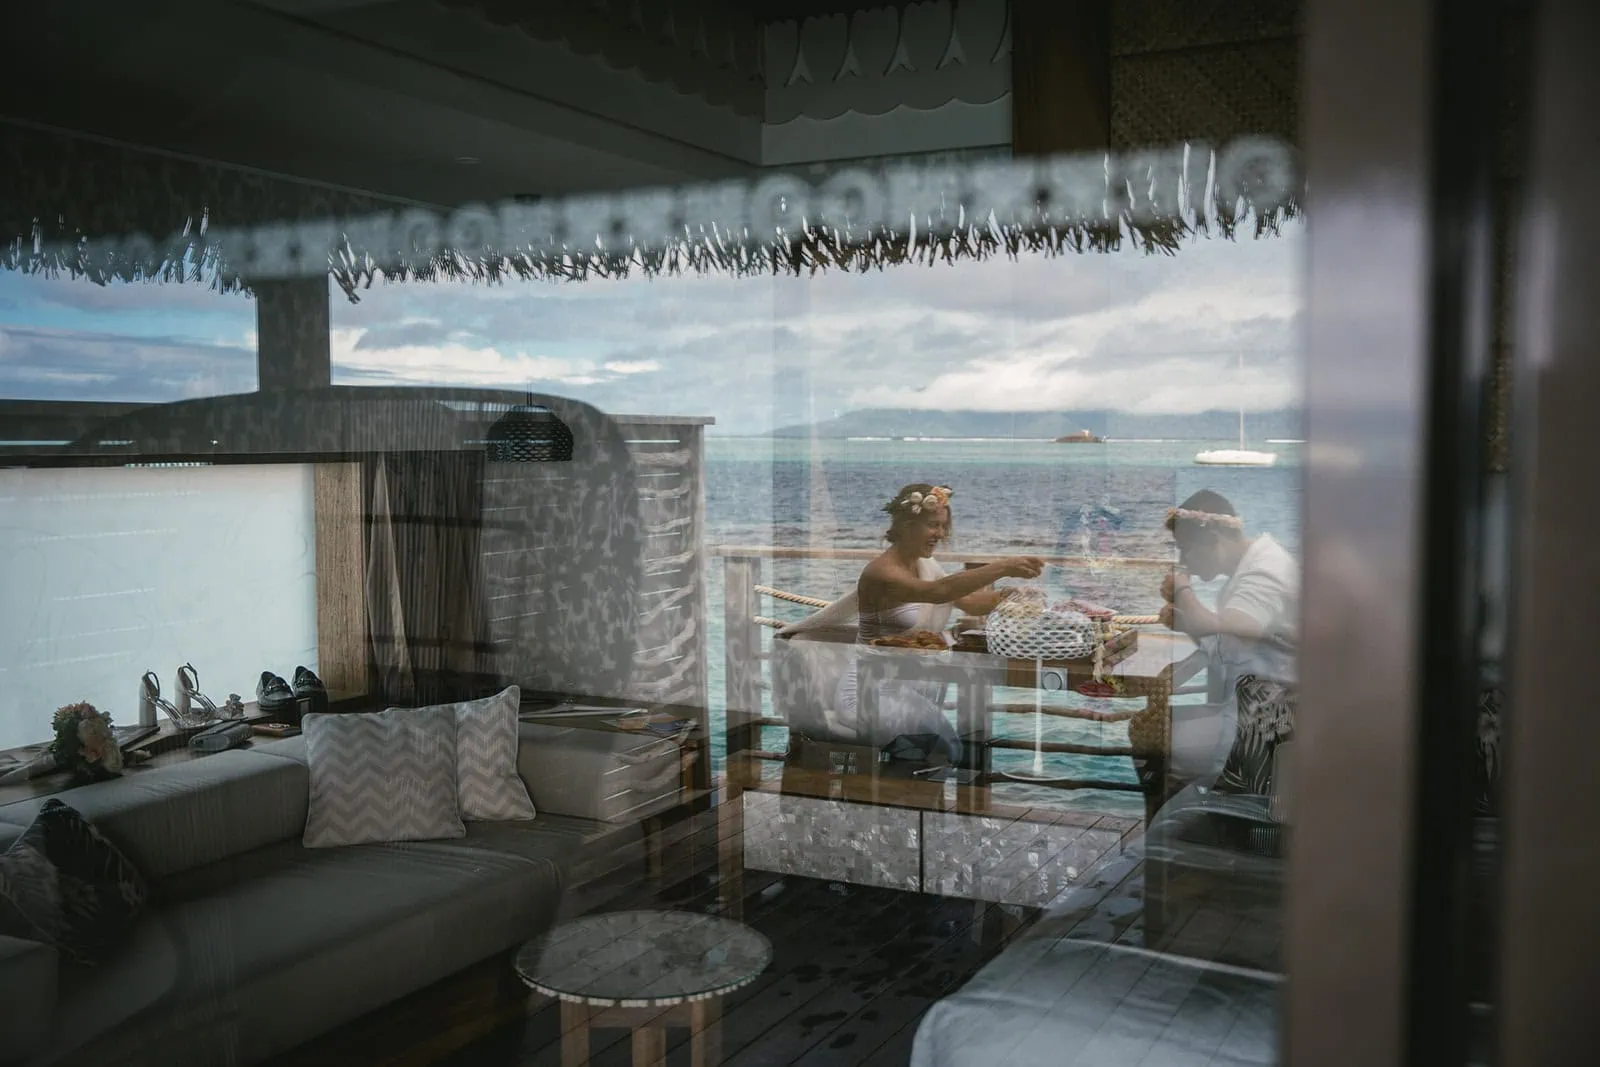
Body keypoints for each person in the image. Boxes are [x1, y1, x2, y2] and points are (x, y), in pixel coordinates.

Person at [832, 483, 1043, 765]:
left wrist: (1011, 595)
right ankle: (884, 804)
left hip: (909, 687)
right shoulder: (881, 573)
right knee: (946, 751)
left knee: (934, 755)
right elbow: (938, 592)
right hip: (868, 691)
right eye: (933, 525)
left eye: (943, 527)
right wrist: (1003, 565)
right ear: (906, 525)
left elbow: (969, 602)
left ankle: (898, 805)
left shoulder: (926, 566)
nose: (940, 534)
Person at [1158, 489, 1299, 784]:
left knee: (1157, 739)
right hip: (1256, 708)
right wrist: (1187, 625)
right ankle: (1200, 811)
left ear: (1213, 541)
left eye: (1186, 549)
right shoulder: (1253, 565)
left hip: (1271, 726)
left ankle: (1201, 815)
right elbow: (1232, 647)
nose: (1185, 560)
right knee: (1155, 730)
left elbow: (1227, 628)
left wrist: (1183, 590)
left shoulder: (1264, 574)